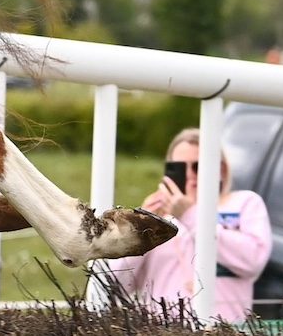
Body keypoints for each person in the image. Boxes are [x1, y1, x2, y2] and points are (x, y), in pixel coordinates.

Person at [101, 128, 271, 324]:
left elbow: (253, 260)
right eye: (180, 168)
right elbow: (115, 284)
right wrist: (141, 227)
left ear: (221, 170)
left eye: (199, 167)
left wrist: (190, 214)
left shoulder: (244, 203)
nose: (190, 176)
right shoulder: (159, 218)